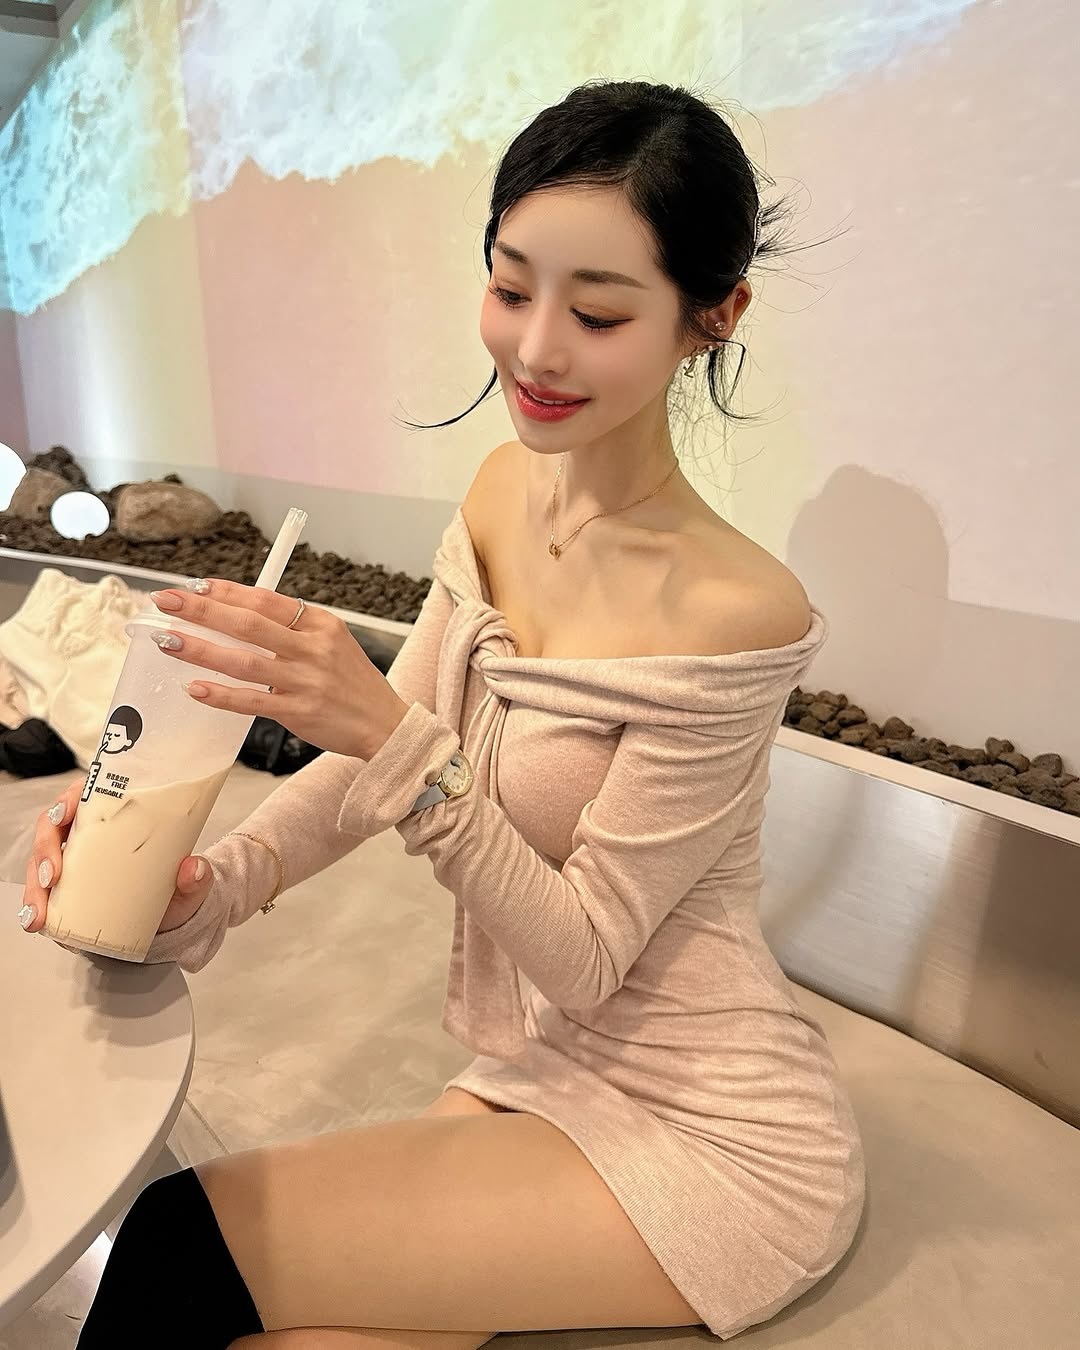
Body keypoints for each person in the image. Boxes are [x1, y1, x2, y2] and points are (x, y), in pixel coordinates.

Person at [20, 79, 865, 1348]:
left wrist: (396, 741)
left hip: (721, 1133)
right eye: (511, 288)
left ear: (715, 315)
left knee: (175, 1247)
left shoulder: (735, 609)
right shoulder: (499, 490)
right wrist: (210, 888)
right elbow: (382, 755)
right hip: (543, 1072)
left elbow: (582, 953)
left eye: (597, 312)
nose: (536, 350)